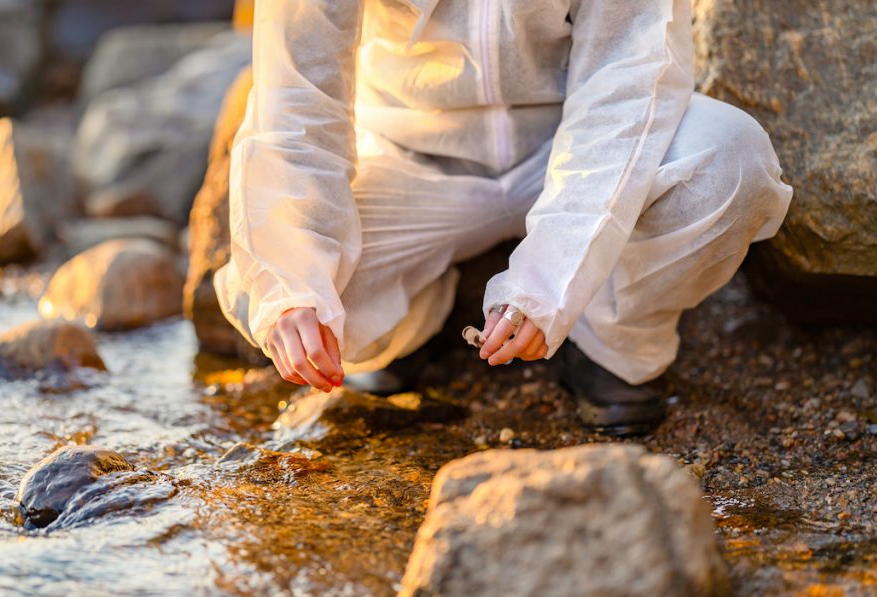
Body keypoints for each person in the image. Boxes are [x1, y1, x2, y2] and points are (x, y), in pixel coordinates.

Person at [214, 0, 793, 435]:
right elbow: (296, 104)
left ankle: (611, 343)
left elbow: (627, 84)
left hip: (568, 138)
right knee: (271, 294)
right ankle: (415, 321)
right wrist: (294, 284)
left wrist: (552, 281)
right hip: (407, 154)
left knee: (727, 161)